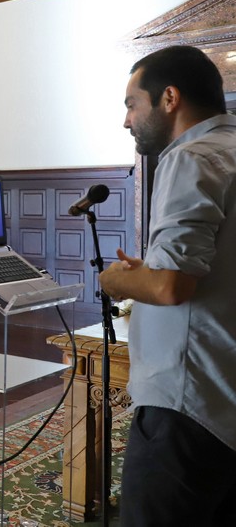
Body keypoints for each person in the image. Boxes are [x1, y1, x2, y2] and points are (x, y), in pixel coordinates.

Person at [98, 45, 236, 525]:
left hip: (188, 402)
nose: (127, 120)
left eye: (131, 104)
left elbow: (172, 288)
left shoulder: (190, 158)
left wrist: (118, 279)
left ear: (169, 98)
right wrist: (150, 272)